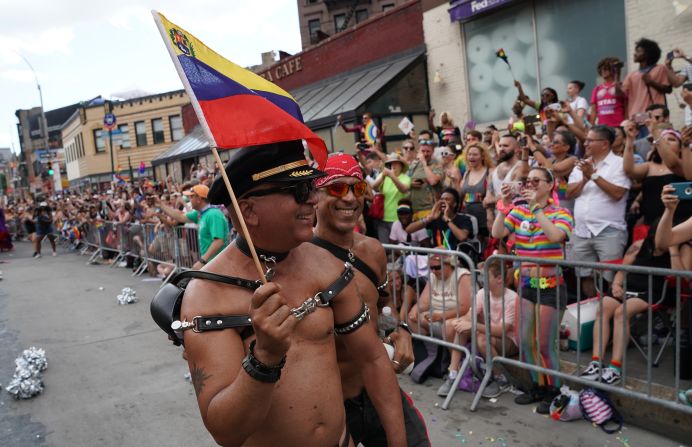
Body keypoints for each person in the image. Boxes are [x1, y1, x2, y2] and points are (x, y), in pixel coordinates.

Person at [182, 141, 402, 446]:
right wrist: (265, 359)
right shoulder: (207, 294)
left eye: (310, 187)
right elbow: (225, 431)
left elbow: (374, 359)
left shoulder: (326, 265)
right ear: (249, 210)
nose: (312, 199)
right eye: (298, 191)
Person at [312, 153, 427, 446]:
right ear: (315, 194)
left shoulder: (372, 251)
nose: (350, 198)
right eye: (338, 188)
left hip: (379, 389)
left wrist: (399, 331)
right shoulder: (300, 259)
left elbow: (383, 307)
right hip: (328, 404)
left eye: (358, 188)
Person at [492, 166, 574, 414]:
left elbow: (555, 236)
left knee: (545, 344)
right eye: (528, 181)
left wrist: (536, 209)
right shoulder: (518, 212)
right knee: (526, 342)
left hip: (551, 286)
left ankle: (554, 390)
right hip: (526, 284)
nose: (531, 184)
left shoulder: (561, 212)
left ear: (551, 185)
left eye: (537, 181)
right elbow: (497, 233)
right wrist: (503, 204)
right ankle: (537, 387)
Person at [580, 219, 682, 385]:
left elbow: (680, 276)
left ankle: (615, 369)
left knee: (622, 312)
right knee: (603, 308)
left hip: (653, 292)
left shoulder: (677, 249)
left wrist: (672, 248)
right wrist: (616, 285)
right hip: (628, 288)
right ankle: (596, 363)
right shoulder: (639, 245)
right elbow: (623, 268)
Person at [438, 258, 518, 398]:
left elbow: (502, 330)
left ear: (499, 279)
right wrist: (459, 322)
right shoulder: (482, 293)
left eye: (485, 277)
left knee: (481, 339)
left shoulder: (512, 298)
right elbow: (470, 315)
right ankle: (453, 374)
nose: (481, 280)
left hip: (509, 341)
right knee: (461, 327)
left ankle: (500, 379)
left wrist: (473, 324)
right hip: (489, 334)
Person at [567, 126, 631, 297]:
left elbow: (618, 193)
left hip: (609, 230)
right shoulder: (582, 165)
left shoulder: (619, 164)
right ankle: (594, 314)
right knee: (584, 276)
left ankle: (610, 313)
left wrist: (594, 177)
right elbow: (569, 193)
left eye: (590, 140)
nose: (585, 143)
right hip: (581, 231)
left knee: (612, 278)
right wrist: (585, 178)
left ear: (604, 144)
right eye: (586, 140)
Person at [156, 184, 228, 270]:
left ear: (199, 199)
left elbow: (219, 241)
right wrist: (161, 205)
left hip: (217, 264)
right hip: (210, 263)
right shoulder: (200, 213)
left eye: (191, 196)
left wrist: (202, 261)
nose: (189, 199)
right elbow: (180, 217)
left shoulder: (213, 214)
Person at [406, 188, 474, 251]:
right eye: (441, 199)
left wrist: (447, 220)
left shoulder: (464, 219)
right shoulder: (435, 218)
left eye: (447, 199)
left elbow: (462, 237)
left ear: (454, 204)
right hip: (437, 257)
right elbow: (409, 230)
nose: (443, 202)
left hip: (456, 259)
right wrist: (429, 218)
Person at [529, 130, 578, 214]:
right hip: (549, 209)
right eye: (552, 142)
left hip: (567, 210)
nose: (551, 144)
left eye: (555, 142)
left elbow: (551, 169)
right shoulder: (550, 160)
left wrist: (532, 146)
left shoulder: (573, 160)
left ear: (566, 147)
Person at [622, 38, 672, 118]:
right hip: (636, 117)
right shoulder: (631, 75)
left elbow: (668, 89)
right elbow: (622, 94)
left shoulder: (659, 68)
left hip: (654, 116)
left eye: (638, 51)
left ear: (647, 54)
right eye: (635, 51)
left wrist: (651, 82)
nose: (635, 54)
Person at [372, 153, 411, 244]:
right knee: (385, 247)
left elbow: (403, 189)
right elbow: (374, 187)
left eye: (396, 163)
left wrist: (391, 175)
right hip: (382, 218)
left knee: (399, 248)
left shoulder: (405, 178)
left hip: (398, 219)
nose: (393, 165)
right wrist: (383, 176)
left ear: (401, 166)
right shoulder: (384, 176)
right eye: (391, 163)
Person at [459, 143, 494, 239]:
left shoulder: (490, 172)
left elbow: (489, 196)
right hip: (468, 218)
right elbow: (462, 195)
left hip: (484, 218)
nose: (471, 157)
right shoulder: (467, 173)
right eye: (469, 154)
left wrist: (489, 217)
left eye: (475, 154)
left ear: (482, 157)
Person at [408, 131, 444, 219]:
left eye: (428, 151)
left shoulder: (437, 165)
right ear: (419, 151)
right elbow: (406, 178)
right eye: (423, 151)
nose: (425, 154)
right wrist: (410, 183)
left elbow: (433, 181)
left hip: (429, 210)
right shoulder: (414, 164)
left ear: (433, 151)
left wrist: (424, 163)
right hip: (413, 210)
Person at [589, 57, 627, 127]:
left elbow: (626, 106)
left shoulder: (622, 86)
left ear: (612, 70)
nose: (603, 71)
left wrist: (626, 123)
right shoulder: (597, 89)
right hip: (602, 127)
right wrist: (591, 126)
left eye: (606, 69)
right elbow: (593, 110)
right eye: (601, 69)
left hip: (619, 125)